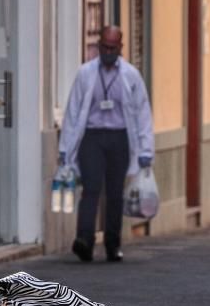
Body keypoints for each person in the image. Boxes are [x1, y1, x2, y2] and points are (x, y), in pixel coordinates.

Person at [59, 25, 155, 262]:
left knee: (115, 193)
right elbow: (72, 112)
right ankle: (84, 240)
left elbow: (143, 114)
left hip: (120, 138)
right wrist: (65, 149)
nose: (109, 51)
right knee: (91, 189)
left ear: (121, 47)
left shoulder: (131, 75)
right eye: (105, 47)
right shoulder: (85, 73)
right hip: (91, 138)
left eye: (113, 47)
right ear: (98, 46)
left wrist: (145, 150)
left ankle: (113, 244)